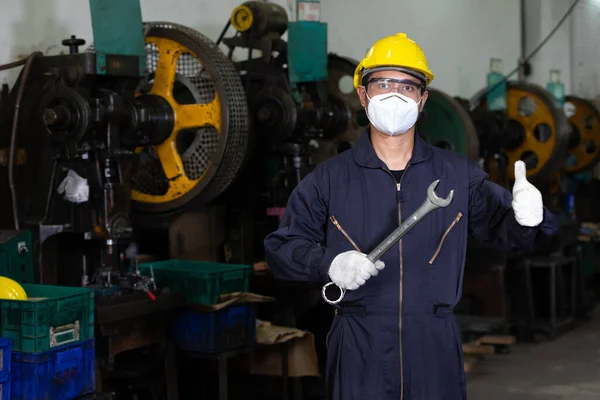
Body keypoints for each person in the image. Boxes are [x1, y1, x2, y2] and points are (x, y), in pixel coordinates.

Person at [263, 32, 558, 400]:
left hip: (434, 346)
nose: (395, 94)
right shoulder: (328, 179)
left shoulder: (457, 175)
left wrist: (531, 219)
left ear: (422, 100)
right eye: (383, 83)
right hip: (359, 346)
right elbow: (281, 249)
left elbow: (508, 233)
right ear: (362, 93)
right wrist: (329, 263)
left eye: (408, 86)